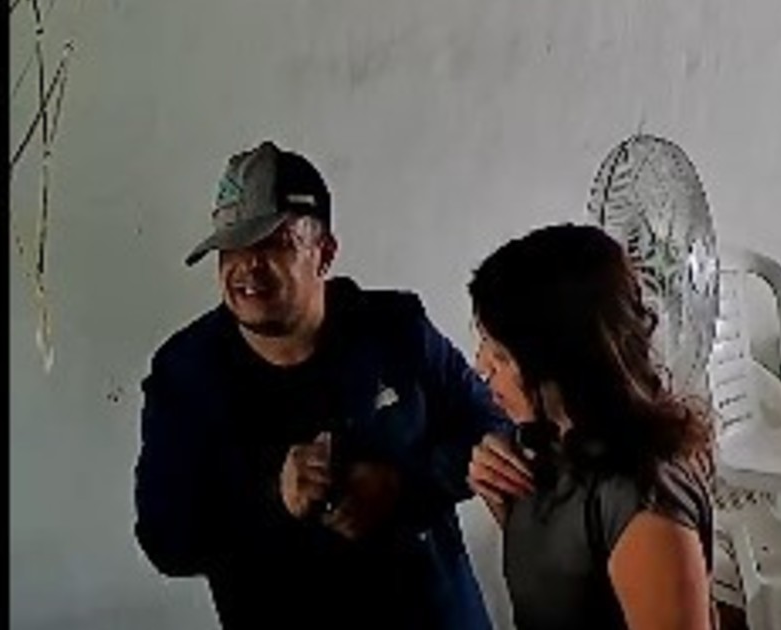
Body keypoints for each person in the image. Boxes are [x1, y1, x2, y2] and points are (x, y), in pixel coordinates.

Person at [134, 140, 507, 629]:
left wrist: (403, 485)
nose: (247, 267)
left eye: (273, 243)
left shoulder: (396, 328)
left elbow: (493, 426)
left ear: (324, 253)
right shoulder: (186, 375)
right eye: (231, 248)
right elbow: (165, 539)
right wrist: (275, 500)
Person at [465, 224, 716, 630]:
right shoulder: (546, 446)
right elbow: (565, 587)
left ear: (563, 360)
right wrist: (503, 497)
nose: (481, 366)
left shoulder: (639, 496)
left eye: (502, 356)